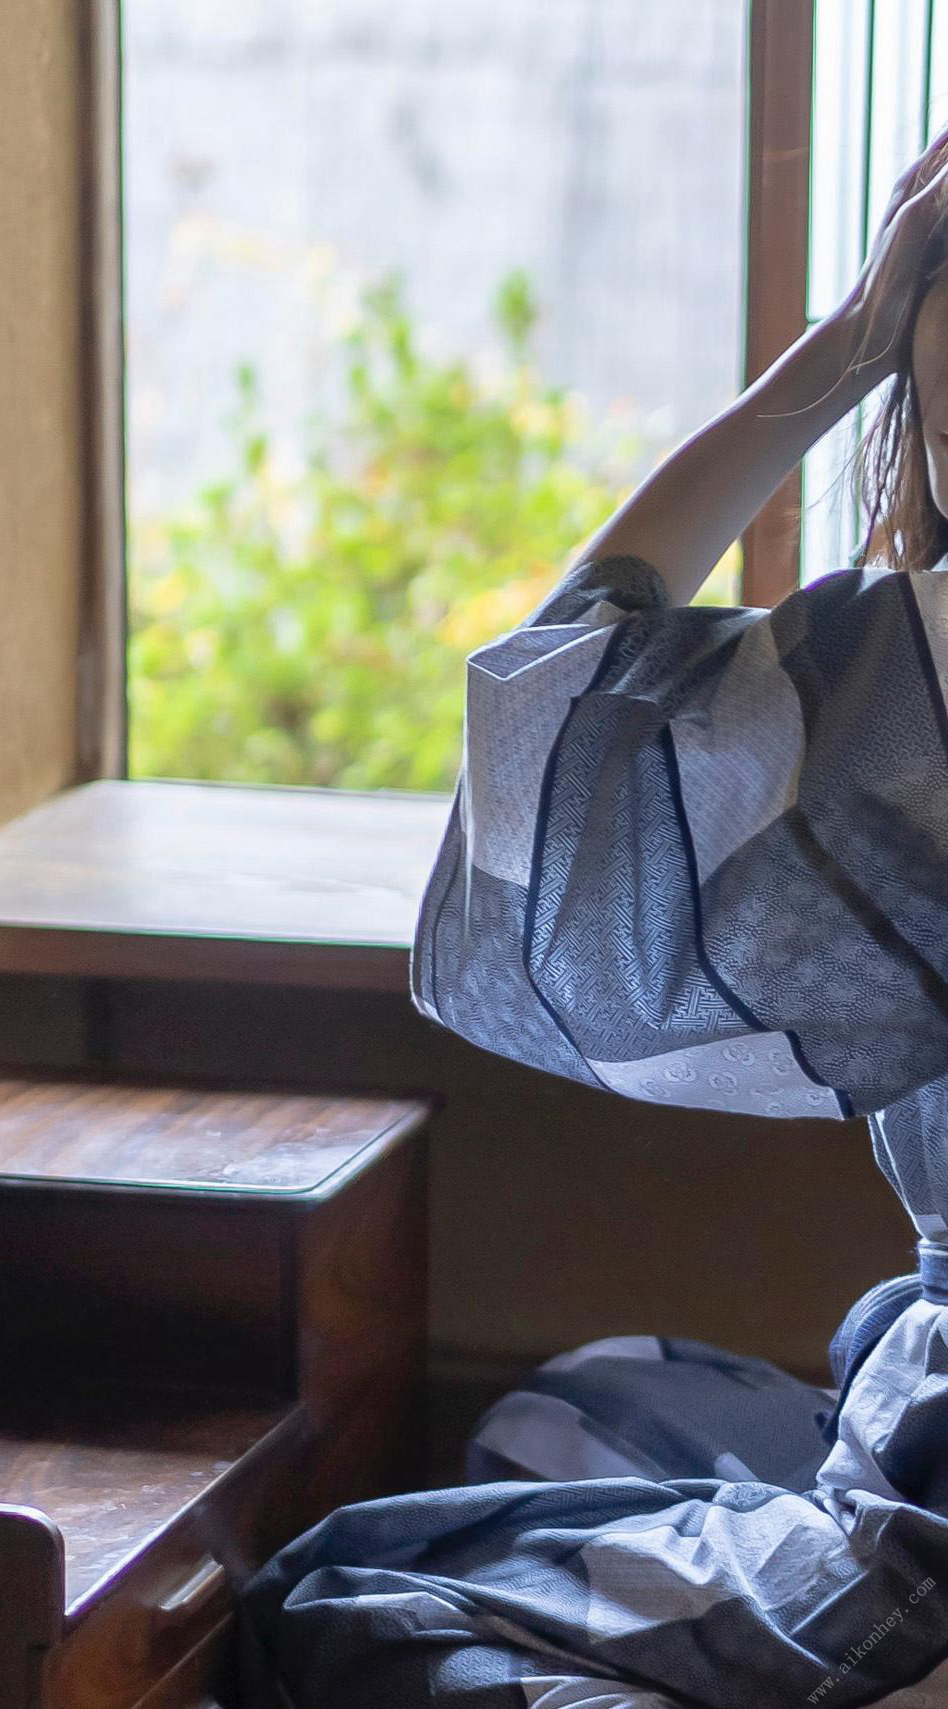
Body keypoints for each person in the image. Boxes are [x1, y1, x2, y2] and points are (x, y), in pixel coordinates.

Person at [238, 130, 948, 1707]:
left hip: (930, 1549)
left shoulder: (920, 697)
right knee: (583, 1402)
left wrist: (834, 357)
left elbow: (555, 730)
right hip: (918, 1413)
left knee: (341, 1607)